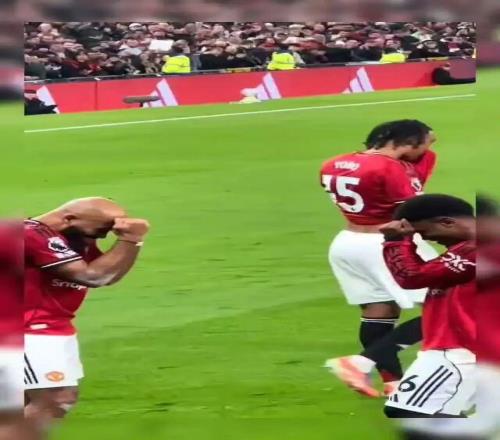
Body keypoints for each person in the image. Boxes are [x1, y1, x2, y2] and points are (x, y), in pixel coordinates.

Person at [321, 120, 438, 397]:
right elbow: (414, 211)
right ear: (411, 142)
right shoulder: (390, 168)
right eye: (427, 143)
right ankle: (360, 362)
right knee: (451, 306)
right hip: (386, 243)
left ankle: (393, 383)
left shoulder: (333, 163)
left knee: (379, 312)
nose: (429, 149)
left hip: (348, 243)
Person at [24, 197, 150, 436]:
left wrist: (134, 242)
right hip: (27, 330)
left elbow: (109, 275)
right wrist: (131, 239)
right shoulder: (30, 235)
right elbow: (93, 276)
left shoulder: (75, 236)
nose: (102, 237)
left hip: (52, 329)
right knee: (56, 398)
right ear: (69, 219)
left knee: (22, 403)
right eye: (99, 231)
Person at [381, 194, 475, 419]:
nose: (429, 240)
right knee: (429, 413)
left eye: (424, 233)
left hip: (460, 349)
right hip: (457, 346)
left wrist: (395, 241)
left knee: (409, 410)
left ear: (447, 222)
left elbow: (412, 276)